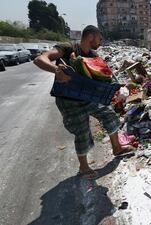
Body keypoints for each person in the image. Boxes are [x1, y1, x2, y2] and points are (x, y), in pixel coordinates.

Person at [34, 25, 133, 179]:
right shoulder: (67, 49)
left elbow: (101, 77)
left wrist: (113, 89)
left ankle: (117, 148)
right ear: (91, 36)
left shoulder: (94, 55)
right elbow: (40, 59)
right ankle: (83, 167)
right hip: (68, 100)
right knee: (82, 132)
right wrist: (56, 70)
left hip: (88, 97)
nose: (101, 42)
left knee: (110, 116)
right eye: (100, 39)